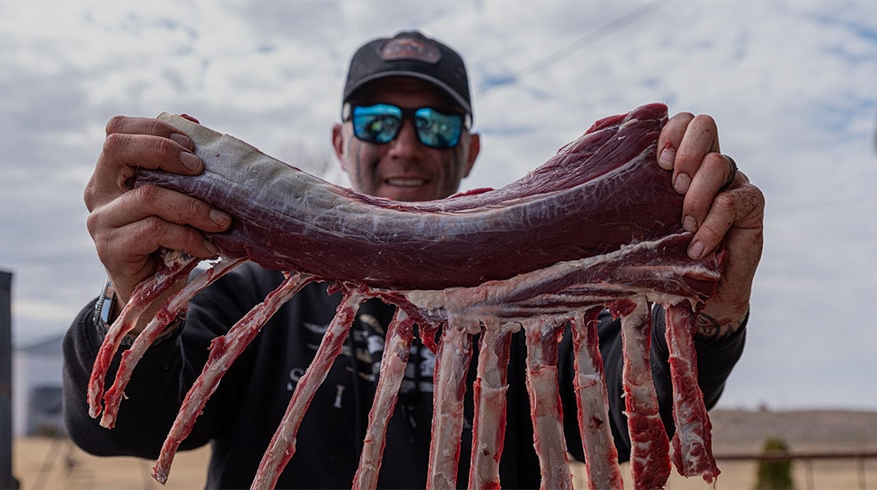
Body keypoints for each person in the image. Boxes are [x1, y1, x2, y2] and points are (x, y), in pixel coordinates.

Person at [65, 30, 764, 488]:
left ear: (470, 150)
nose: (405, 145)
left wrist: (712, 318)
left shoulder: (543, 297)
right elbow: (123, 428)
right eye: (377, 122)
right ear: (342, 142)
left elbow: (625, 416)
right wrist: (129, 298)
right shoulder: (252, 289)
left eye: (434, 124)